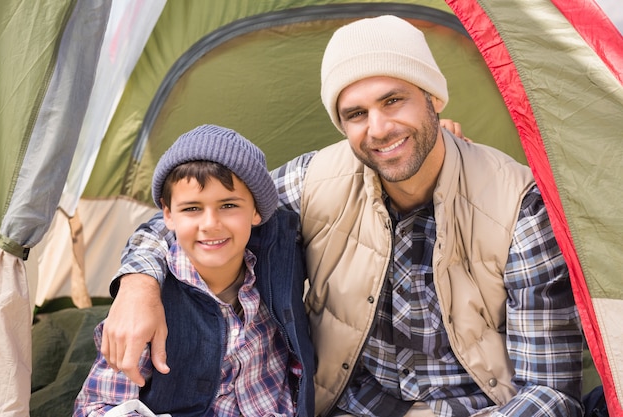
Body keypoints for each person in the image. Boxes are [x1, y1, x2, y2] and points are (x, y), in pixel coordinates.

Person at [102, 15, 584, 417]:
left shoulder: (518, 203)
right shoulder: (319, 179)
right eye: (356, 113)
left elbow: (552, 392)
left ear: (434, 99)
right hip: (353, 405)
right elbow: (206, 217)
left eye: (394, 100)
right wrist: (137, 284)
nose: (379, 128)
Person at [74, 125, 315, 416]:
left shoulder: (277, 259)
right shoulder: (151, 305)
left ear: (256, 212)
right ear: (167, 215)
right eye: (191, 209)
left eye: (228, 205)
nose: (210, 224)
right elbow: (98, 405)